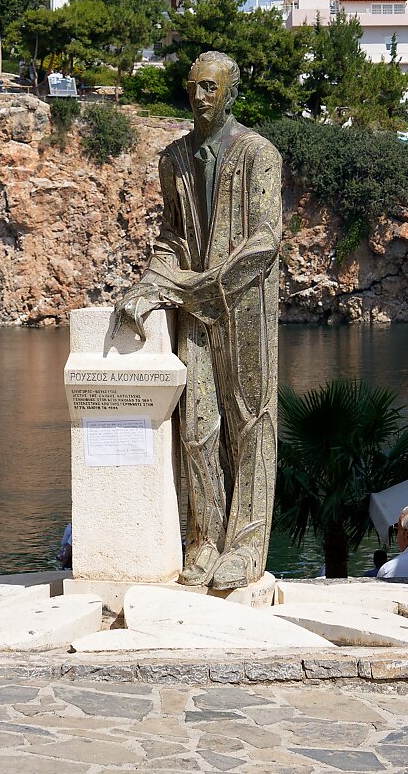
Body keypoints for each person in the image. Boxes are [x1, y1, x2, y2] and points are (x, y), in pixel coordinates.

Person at [114, 50, 283, 591]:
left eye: (211, 86)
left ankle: (246, 546)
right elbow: (171, 236)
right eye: (193, 86)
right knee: (198, 428)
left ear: (231, 91)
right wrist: (152, 282)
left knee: (251, 422)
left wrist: (203, 284)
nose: (200, 96)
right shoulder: (174, 159)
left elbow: (265, 240)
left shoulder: (259, 154)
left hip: (247, 309)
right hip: (194, 310)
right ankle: (206, 540)